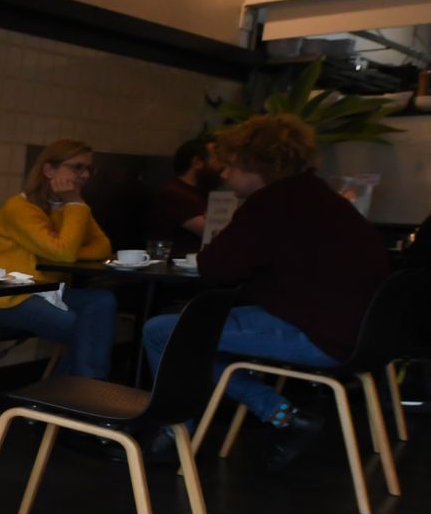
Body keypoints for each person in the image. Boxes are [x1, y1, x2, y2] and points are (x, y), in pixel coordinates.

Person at [142, 114, 390, 466]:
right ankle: (284, 416)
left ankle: (173, 433)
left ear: (256, 165)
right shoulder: (323, 198)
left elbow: (216, 268)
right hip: (362, 335)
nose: (225, 174)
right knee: (197, 339)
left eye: (230, 166)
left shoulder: (270, 204)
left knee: (164, 333)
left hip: (317, 333)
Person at [0, 139, 117, 380]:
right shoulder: (20, 208)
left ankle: (68, 393)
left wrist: (67, 247)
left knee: (102, 302)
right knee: (80, 326)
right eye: (77, 167)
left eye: (88, 169)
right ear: (49, 170)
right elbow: (63, 253)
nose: (84, 175)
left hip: (49, 291)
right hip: (4, 298)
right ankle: (83, 392)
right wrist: (72, 206)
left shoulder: (70, 207)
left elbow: (103, 247)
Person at [146, 138, 218, 258]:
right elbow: (212, 233)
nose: (223, 165)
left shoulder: (201, 193)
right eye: (217, 158)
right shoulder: (174, 193)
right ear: (197, 162)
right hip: (174, 269)